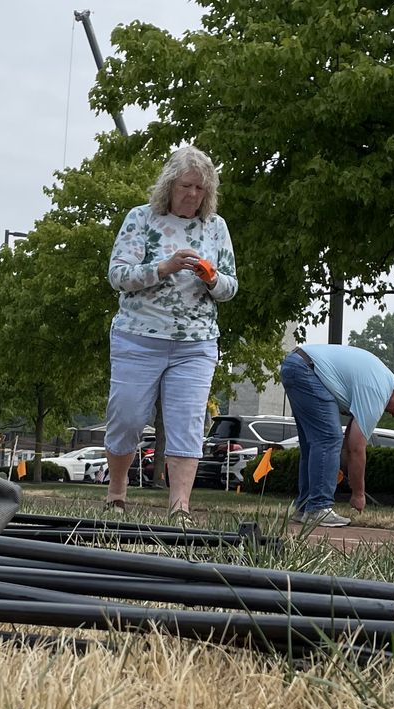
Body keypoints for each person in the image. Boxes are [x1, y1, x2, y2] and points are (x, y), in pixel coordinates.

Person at [102, 144, 238, 521]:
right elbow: (118, 276)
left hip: (195, 344)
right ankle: (117, 491)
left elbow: (231, 287)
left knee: (187, 423)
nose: (193, 195)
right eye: (186, 186)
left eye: (201, 189)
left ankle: (180, 506)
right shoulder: (140, 219)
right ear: (169, 186)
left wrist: (212, 279)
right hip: (137, 338)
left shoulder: (216, 227)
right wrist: (162, 268)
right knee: (127, 417)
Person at [278, 343, 394, 527]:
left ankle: (305, 507)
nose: (393, 415)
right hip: (307, 370)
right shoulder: (379, 391)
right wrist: (359, 494)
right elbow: (356, 448)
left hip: (295, 364)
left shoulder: (380, 378)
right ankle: (318, 508)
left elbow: (350, 440)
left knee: (312, 443)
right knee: (328, 438)